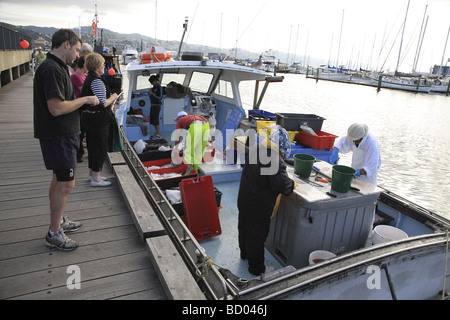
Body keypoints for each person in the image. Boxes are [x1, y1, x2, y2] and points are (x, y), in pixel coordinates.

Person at [33, 29, 99, 251]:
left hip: (61, 134)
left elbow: (62, 105)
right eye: (77, 49)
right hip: (58, 135)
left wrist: (80, 107)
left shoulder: (57, 67)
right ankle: (54, 232)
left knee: (58, 179)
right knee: (66, 183)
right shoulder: (52, 69)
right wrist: (84, 100)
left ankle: (58, 220)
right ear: (67, 44)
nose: (78, 55)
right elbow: (56, 108)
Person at [237, 127, 296, 276]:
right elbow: (284, 186)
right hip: (258, 205)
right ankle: (256, 269)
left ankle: (244, 254)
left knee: (243, 228)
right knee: (256, 236)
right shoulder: (273, 159)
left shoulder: (258, 147)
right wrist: (293, 183)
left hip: (244, 198)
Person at [80, 52, 118, 187]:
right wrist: (113, 98)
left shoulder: (89, 78)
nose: (104, 67)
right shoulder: (96, 80)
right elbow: (101, 103)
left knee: (92, 146)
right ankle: (96, 178)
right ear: (97, 66)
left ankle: (93, 173)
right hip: (98, 120)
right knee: (99, 147)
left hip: (90, 119)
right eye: (103, 64)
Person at [70, 56, 88, 162]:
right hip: (78, 106)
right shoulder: (75, 76)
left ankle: (80, 151)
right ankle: (77, 154)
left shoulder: (85, 75)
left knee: (83, 131)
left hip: (83, 106)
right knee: (79, 132)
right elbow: (83, 90)